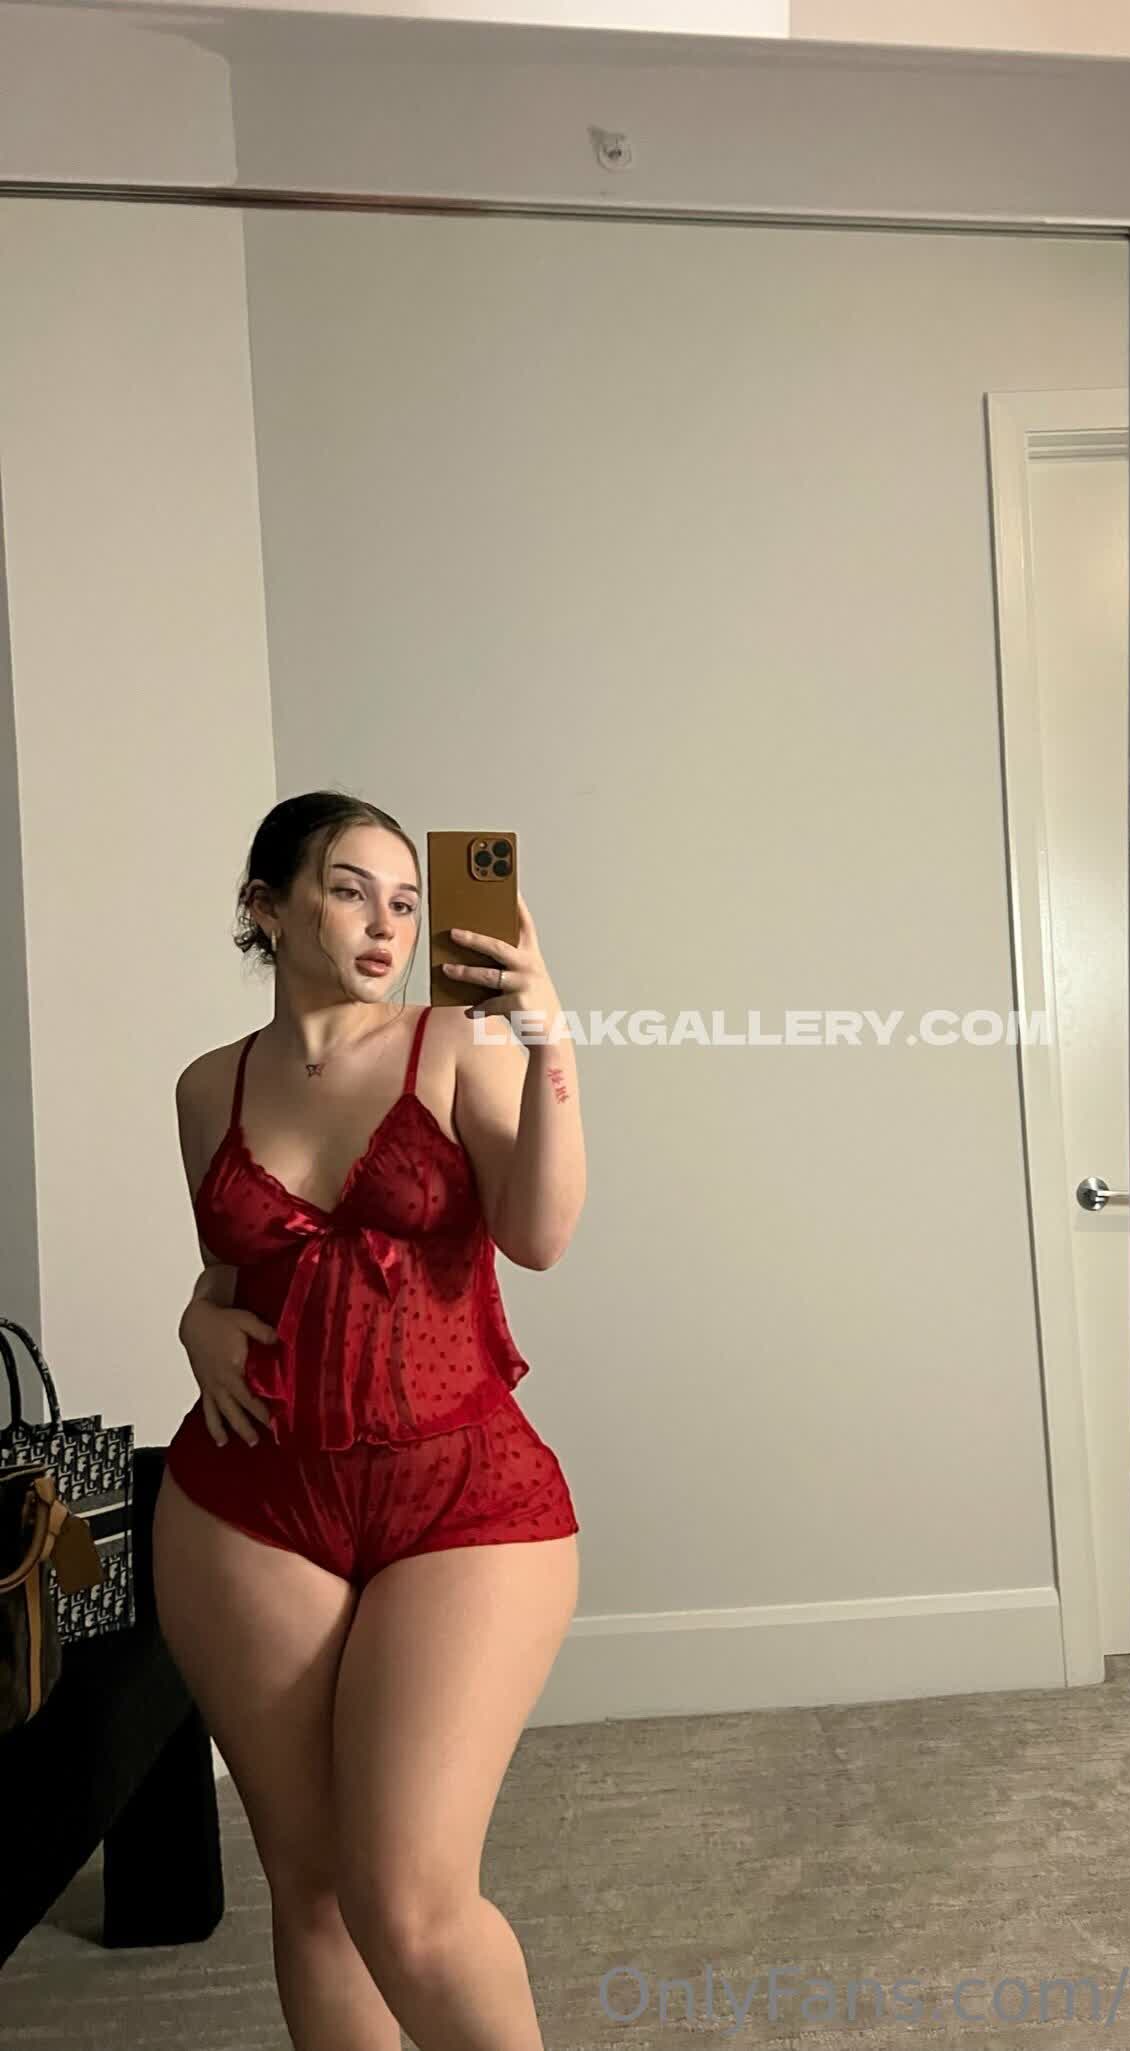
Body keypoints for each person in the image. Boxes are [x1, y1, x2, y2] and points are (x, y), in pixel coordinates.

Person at [153, 790, 585, 2051]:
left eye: (405, 899)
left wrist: (551, 1039)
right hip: (252, 1499)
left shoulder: (454, 1043)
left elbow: (540, 1233)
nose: (387, 922)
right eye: (349, 890)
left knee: (411, 1905)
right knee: (314, 1890)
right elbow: (240, 1271)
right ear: (266, 906)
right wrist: (194, 1319)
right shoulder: (206, 1086)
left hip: (462, 1494)